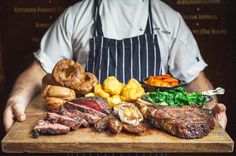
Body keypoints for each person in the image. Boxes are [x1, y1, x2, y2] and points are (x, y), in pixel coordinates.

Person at [4, 0, 227, 133]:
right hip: (89, 135)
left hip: (151, 136)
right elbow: (39, 70)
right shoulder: (76, 15)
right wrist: (18, 98)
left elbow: (194, 78)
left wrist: (210, 110)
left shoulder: (168, 19)